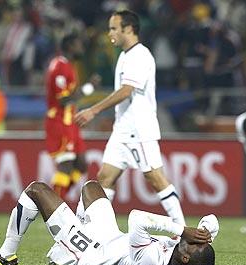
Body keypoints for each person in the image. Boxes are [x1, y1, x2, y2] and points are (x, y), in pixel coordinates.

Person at [74, 10, 186, 226]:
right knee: (105, 177)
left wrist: (93, 110)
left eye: (114, 28)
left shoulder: (140, 55)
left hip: (139, 129)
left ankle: (183, 230)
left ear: (129, 29)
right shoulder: (125, 55)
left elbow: (127, 91)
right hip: (123, 129)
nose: (109, 33)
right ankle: (91, 231)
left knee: (155, 177)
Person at [0, 180, 218, 265]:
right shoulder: (183, 249)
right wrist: (204, 232)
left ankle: (5, 255)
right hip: (109, 236)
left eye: (195, 244)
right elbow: (212, 222)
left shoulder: (152, 260)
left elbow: (136, 218)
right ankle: (71, 228)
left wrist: (181, 229)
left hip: (91, 252)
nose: (195, 239)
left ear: (185, 258)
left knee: (36, 190)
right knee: (91, 187)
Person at [45, 33, 88, 199]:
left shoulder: (69, 66)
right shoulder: (59, 66)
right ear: (70, 46)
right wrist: (87, 89)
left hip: (71, 122)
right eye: (79, 44)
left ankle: (57, 201)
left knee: (81, 164)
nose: (81, 48)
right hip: (59, 122)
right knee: (66, 165)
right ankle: (54, 210)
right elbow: (63, 100)